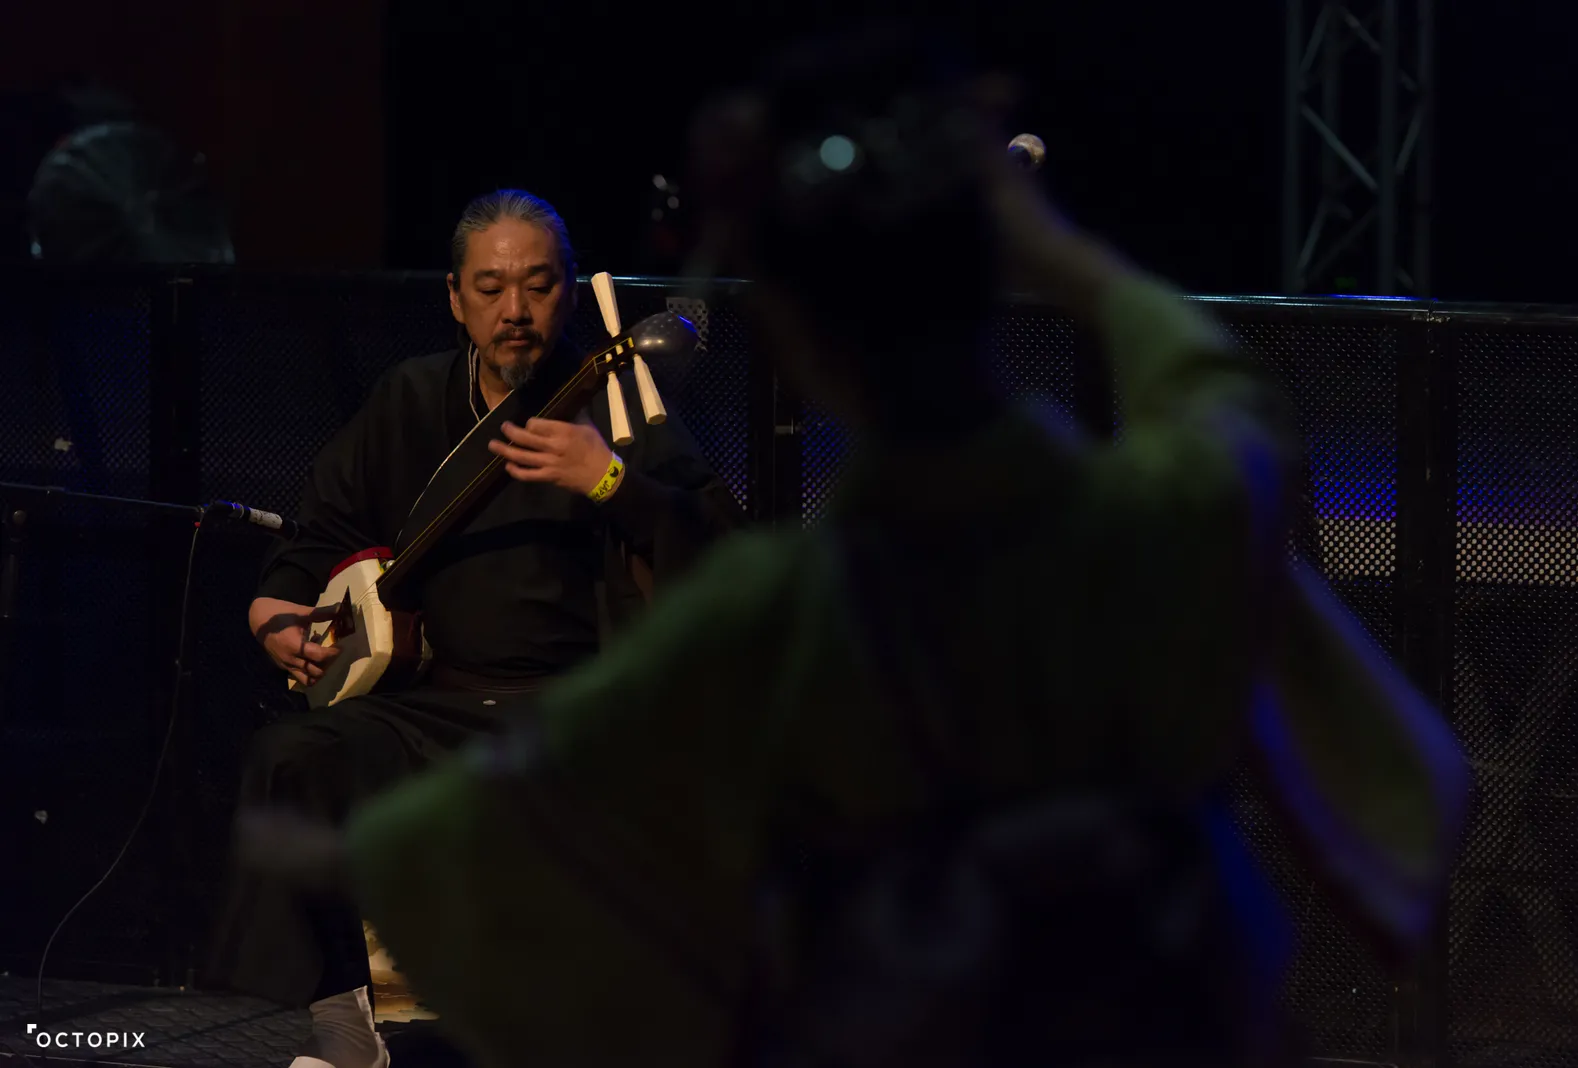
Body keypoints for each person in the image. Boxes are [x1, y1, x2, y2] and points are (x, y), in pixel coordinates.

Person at [271, 27, 1467, 1068]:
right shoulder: (1176, 510)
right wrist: (1040, 241)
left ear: (799, 342)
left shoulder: (776, 609)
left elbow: (453, 864)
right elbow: (1221, 393)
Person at [200, 188, 744, 1068]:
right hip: (434, 707)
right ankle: (344, 1033)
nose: (514, 310)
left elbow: (722, 553)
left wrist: (610, 481)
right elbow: (322, 533)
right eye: (491, 288)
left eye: (538, 285)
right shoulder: (411, 398)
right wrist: (278, 615)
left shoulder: (617, 404)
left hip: (568, 709)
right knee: (294, 757)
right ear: (455, 298)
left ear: (571, 291)